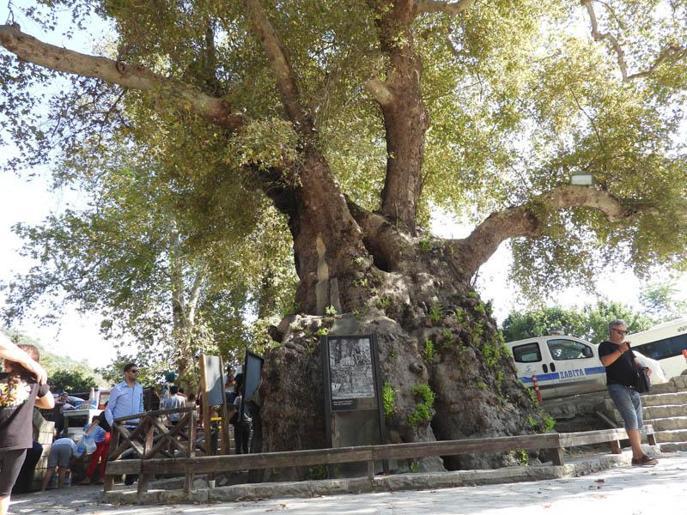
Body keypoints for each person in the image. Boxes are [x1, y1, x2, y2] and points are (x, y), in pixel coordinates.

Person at [0, 341, 54, 515]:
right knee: (4, 492)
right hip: (17, 442)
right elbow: (50, 404)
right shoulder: (35, 382)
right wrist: (30, 401)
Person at [599, 319, 658, 467]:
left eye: (624, 332)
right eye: (619, 331)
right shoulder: (605, 346)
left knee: (637, 421)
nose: (622, 334)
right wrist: (620, 350)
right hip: (618, 387)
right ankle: (640, 455)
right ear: (611, 330)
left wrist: (644, 368)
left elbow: (634, 361)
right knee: (631, 419)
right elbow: (605, 362)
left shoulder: (626, 347)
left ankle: (637, 457)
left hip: (633, 387)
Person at [103, 363, 144, 431]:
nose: (136, 373)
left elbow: (141, 405)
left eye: (138, 371)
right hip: (120, 428)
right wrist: (112, 424)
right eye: (133, 371)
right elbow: (109, 409)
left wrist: (140, 419)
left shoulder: (139, 388)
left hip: (136, 427)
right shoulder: (117, 388)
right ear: (126, 373)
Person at [80, 415, 109, 485]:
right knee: (104, 460)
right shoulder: (111, 417)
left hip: (100, 439)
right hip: (108, 437)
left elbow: (87, 433)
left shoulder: (102, 416)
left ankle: (88, 478)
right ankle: (102, 478)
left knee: (94, 459)